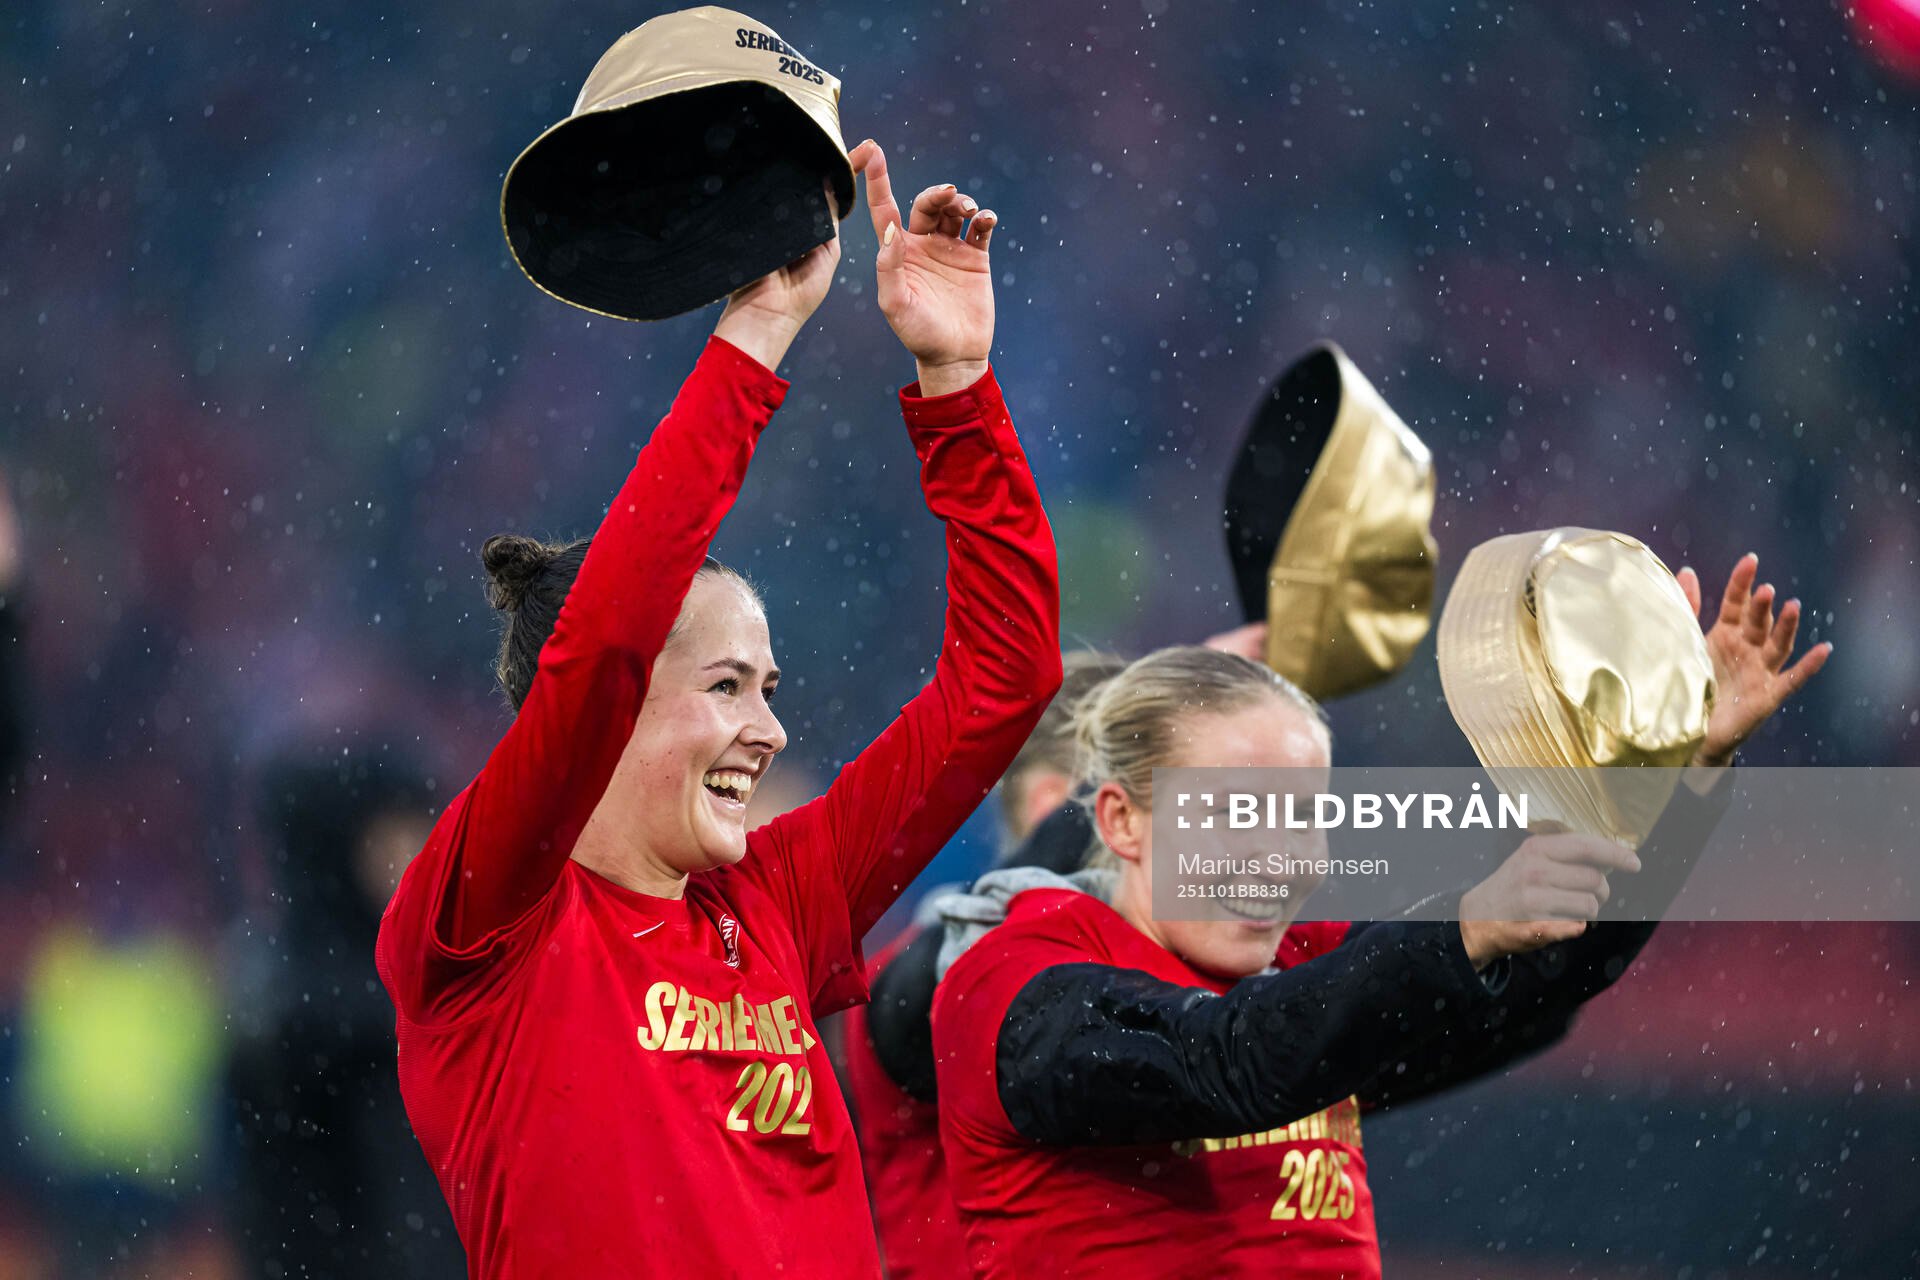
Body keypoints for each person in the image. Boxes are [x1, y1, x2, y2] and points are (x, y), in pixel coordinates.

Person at [375, 140, 1062, 1279]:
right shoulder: (489, 918)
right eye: (728, 686)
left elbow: (1003, 680)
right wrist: (761, 328)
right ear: (615, 707)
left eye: (773, 687)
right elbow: (602, 648)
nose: (773, 728)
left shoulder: (781, 899)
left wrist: (960, 381)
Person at [930, 557, 1826, 1279]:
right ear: (1122, 821)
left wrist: (1684, 770)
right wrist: (1469, 922)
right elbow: (1224, 1059)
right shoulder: (1015, 986)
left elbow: (1547, 977)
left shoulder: (1301, 963)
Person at [229, 750, 463, 1280]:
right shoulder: (320, 1005)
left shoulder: (289, 981)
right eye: (398, 834)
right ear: (341, 848)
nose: (422, 851)